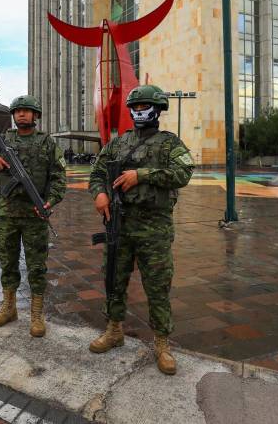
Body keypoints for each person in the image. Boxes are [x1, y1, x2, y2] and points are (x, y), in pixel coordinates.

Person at [87, 85, 194, 375]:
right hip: (119, 225)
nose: (138, 111)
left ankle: (162, 342)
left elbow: (184, 173)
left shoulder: (169, 143)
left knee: (157, 286)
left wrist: (141, 174)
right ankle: (114, 329)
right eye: (134, 107)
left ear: (157, 109)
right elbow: (97, 171)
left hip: (153, 228)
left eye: (144, 106)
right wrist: (99, 193)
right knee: (114, 279)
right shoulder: (119, 143)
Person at [0, 95, 66, 337]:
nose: (22, 114)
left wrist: (50, 201)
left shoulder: (47, 143)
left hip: (34, 215)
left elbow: (59, 177)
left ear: (36, 115)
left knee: (37, 266)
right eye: (18, 111)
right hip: (7, 214)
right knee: (7, 262)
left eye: (27, 111)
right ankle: (9, 308)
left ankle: (37, 315)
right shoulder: (2, 140)